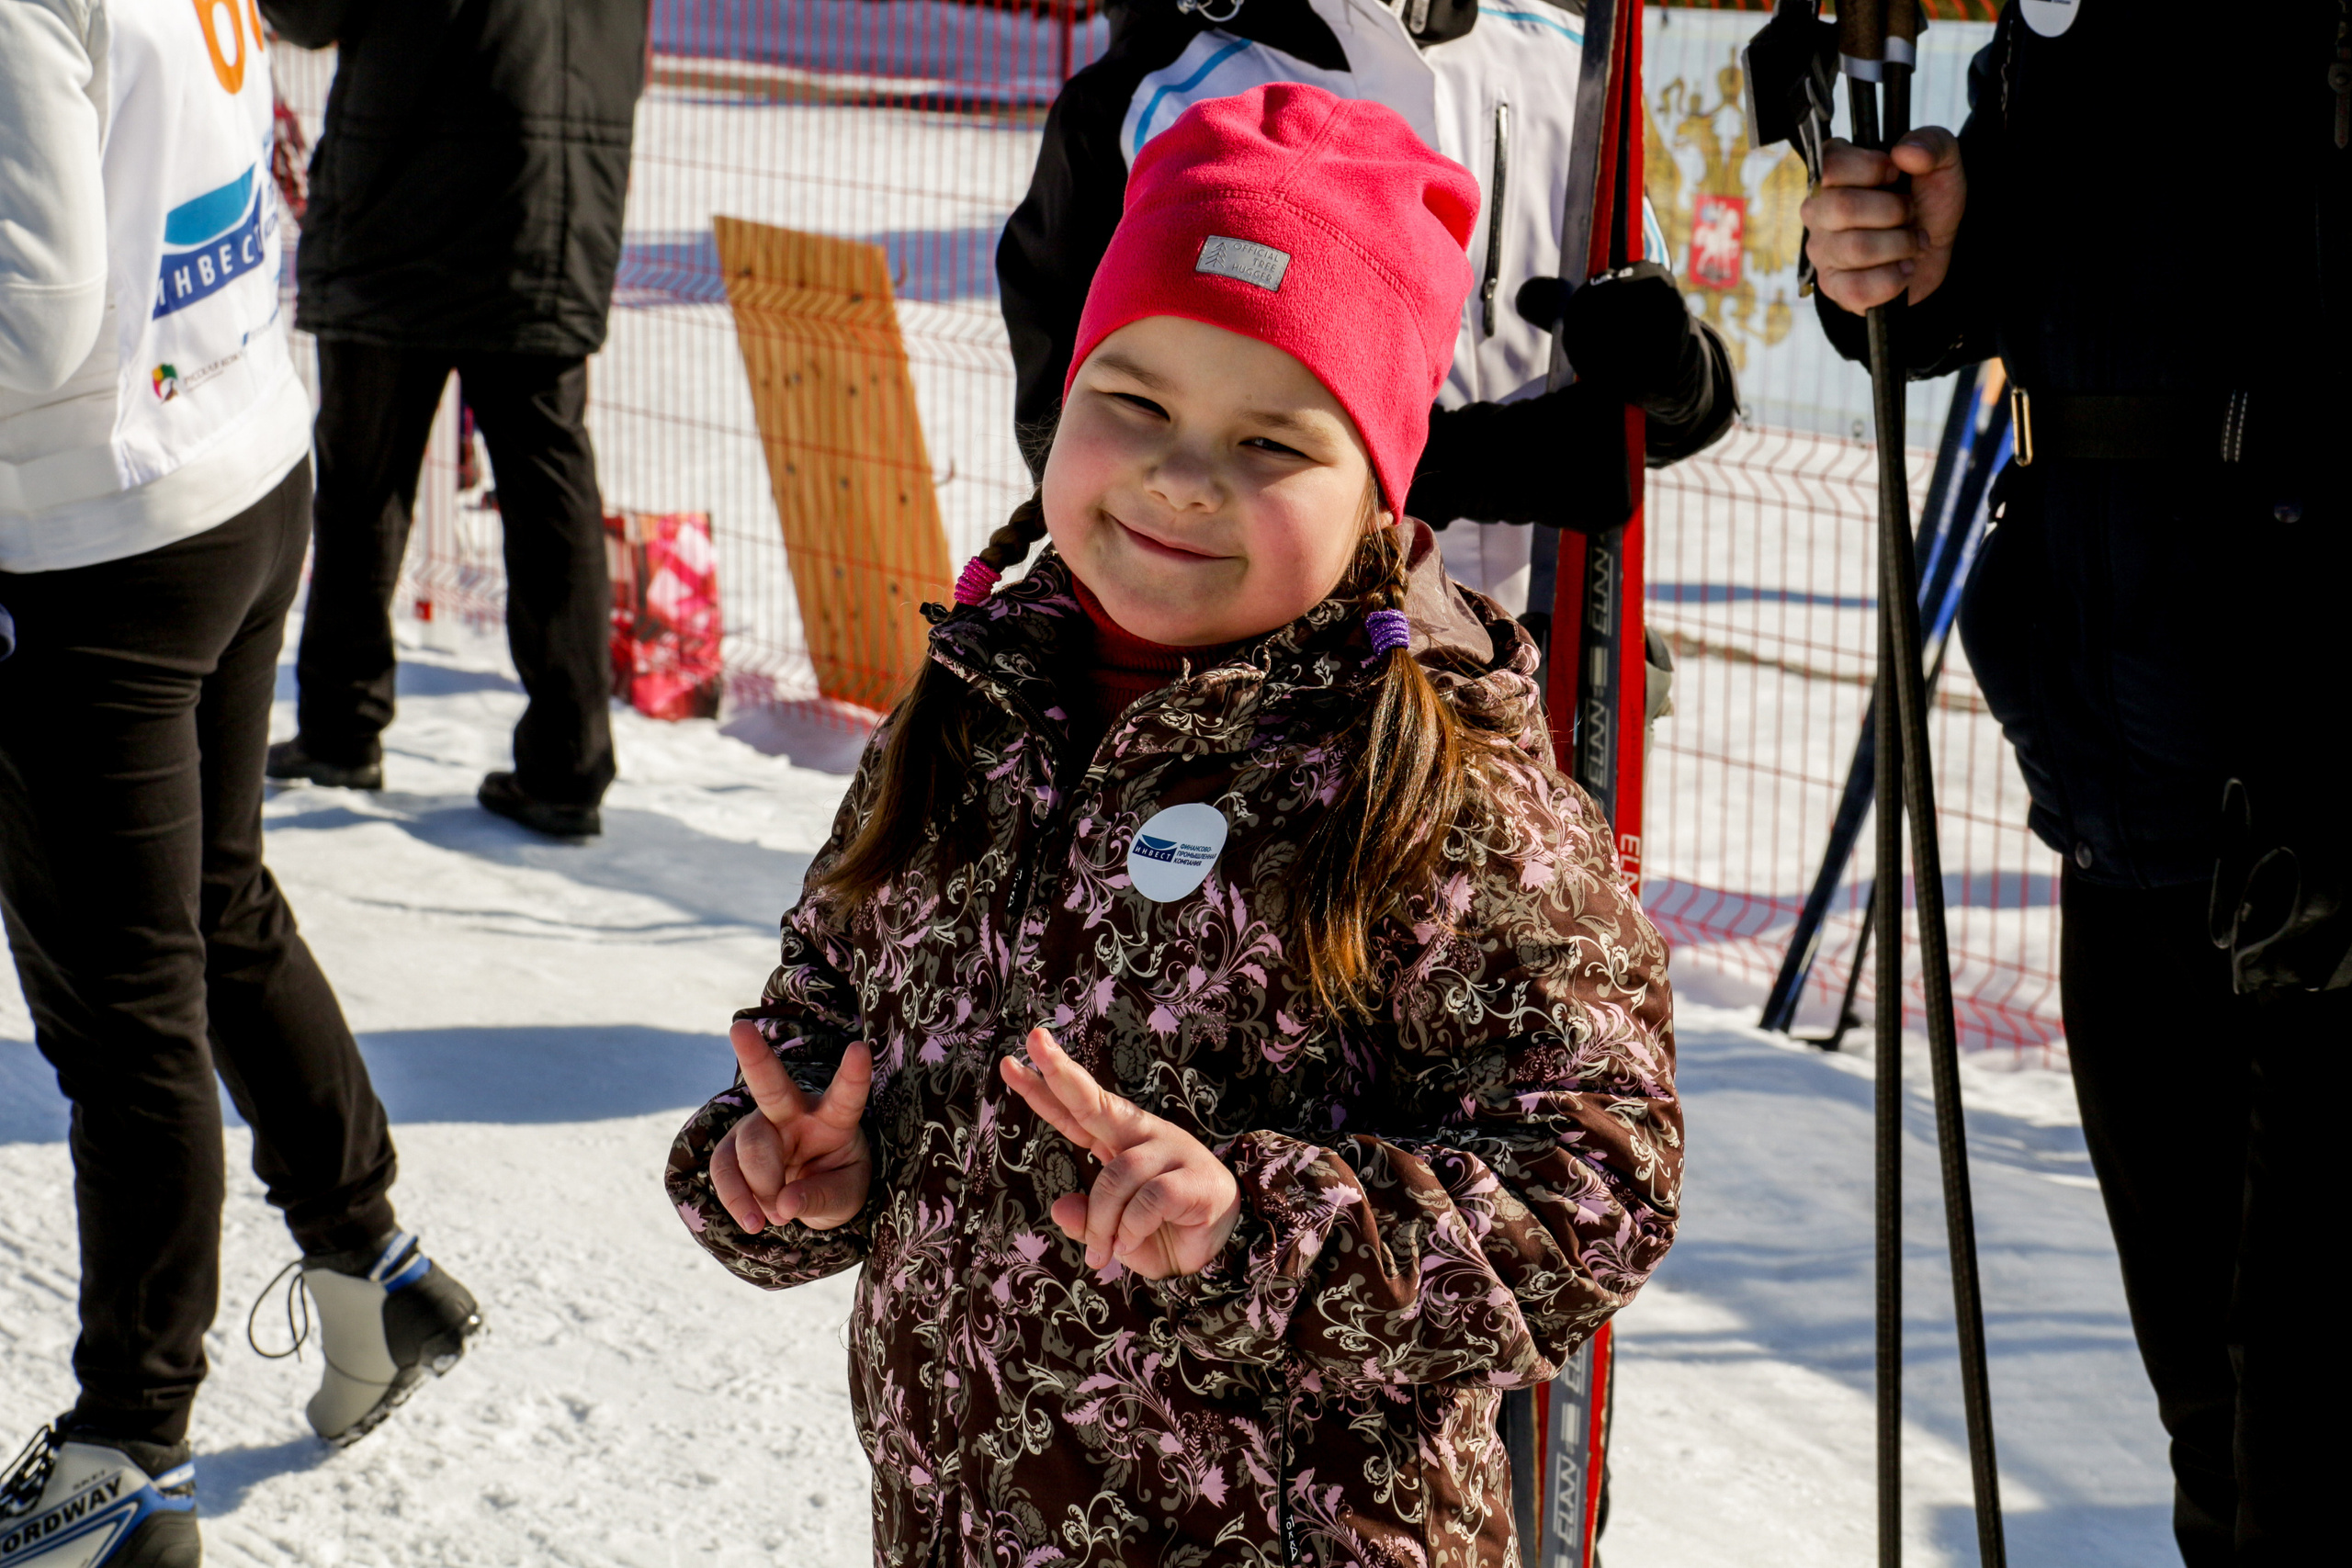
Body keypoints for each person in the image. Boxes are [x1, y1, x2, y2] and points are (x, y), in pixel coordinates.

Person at [667, 84, 1679, 1564]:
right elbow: (830, 995)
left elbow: (1596, 1179)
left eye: (1273, 441)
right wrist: (797, 1157)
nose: (1184, 474)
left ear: (1379, 491)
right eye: (1134, 403)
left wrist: (1251, 1224)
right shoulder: (973, 705)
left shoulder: (1436, 779)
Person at [1799, 5, 2350, 1562]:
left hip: (2317, 813)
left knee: (2306, 1463)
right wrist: (1907, 254)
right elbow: (2039, 279)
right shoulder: (2062, 31)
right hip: (2128, 809)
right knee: (2216, 1438)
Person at [0, 1, 481, 1559]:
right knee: (214, 902)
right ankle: (373, 1263)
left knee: (124, 1011)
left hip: (96, 541)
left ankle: (129, 1452)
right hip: (233, 463)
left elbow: (31, 321)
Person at [999, 0, 1738, 618]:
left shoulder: (1568, 49)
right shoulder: (1154, 87)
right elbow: (1076, 436)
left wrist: (1677, 382)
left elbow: (1647, 396)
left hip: (1552, 670)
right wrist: (1478, 465)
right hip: (1271, 691)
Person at [257, 0, 649, 840]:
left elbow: (309, 10)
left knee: (364, 483)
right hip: (554, 197)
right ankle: (567, 765)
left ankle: (340, 727)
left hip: (398, 197)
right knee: (549, 492)